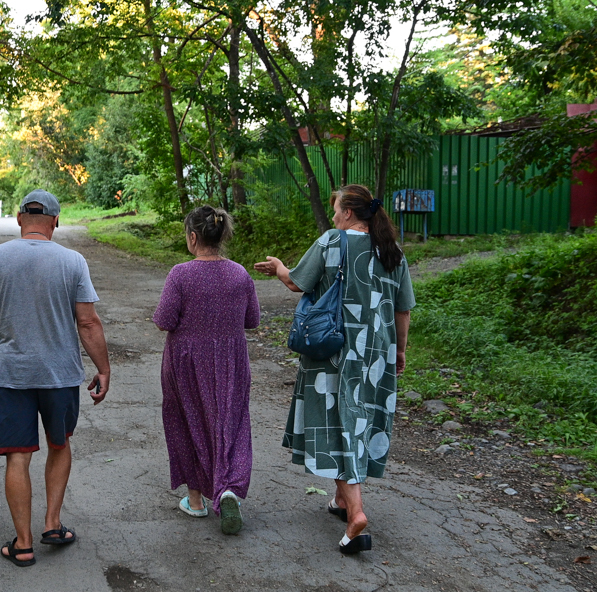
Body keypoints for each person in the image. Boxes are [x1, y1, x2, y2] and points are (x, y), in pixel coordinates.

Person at [254, 184, 414, 555]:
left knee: (340, 421)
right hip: (376, 354)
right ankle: (342, 502)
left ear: (347, 213)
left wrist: (279, 267)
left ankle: (356, 513)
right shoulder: (393, 251)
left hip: (334, 351)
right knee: (359, 420)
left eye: (337, 209)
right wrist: (400, 351)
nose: (334, 215)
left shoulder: (331, 242)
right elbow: (403, 309)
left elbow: (297, 282)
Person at [0, 189, 112, 569]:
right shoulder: (73, 261)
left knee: (17, 455)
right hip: (59, 375)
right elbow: (87, 321)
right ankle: (52, 523)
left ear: (18, 219)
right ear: (55, 221)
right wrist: (104, 368)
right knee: (59, 445)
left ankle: (24, 543)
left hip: (11, 375)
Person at [153, 205, 259, 535]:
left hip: (185, 363)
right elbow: (252, 320)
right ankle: (228, 488)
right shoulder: (240, 274)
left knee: (187, 420)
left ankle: (196, 501)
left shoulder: (180, 274)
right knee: (231, 421)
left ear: (193, 237)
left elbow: (164, 320)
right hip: (230, 361)